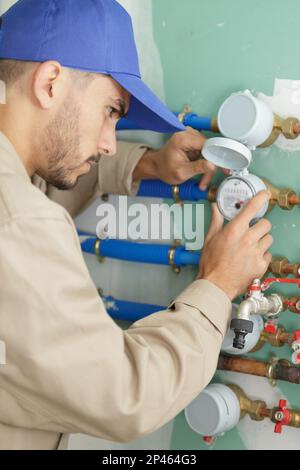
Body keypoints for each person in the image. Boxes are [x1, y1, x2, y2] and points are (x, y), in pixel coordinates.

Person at [0, 0, 273, 450]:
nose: (110, 143)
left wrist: (145, 165)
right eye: (111, 110)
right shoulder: (21, 223)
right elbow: (126, 394)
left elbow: (31, 188)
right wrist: (218, 285)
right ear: (50, 83)